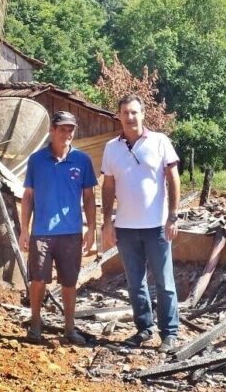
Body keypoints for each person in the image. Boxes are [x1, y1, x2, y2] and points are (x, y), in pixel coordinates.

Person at [101, 94, 181, 353]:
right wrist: (107, 222)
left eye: (134, 112)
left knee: (164, 282)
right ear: (119, 116)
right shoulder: (111, 147)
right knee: (135, 283)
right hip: (125, 228)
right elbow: (108, 185)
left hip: (156, 226)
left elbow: (173, 178)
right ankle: (144, 329)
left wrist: (173, 216)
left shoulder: (159, 141)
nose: (130, 117)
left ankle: (169, 333)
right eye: (125, 112)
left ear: (143, 114)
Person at [18, 111, 97, 345]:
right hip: (42, 232)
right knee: (38, 280)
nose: (67, 133)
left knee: (69, 282)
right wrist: (24, 229)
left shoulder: (82, 160)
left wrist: (91, 228)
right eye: (62, 128)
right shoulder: (36, 160)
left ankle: (69, 329)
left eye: (71, 129)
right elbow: (28, 196)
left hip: (71, 232)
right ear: (52, 130)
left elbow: (90, 197)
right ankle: (35, 325)